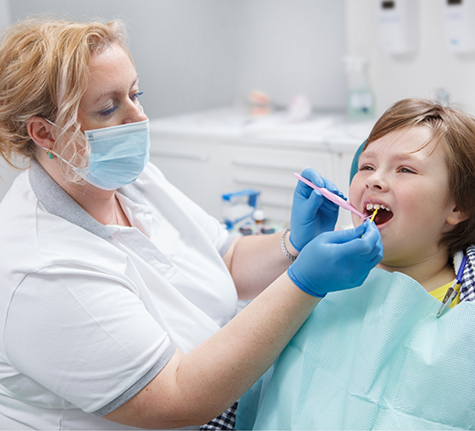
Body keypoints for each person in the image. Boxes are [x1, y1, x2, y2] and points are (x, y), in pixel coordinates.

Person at [0, 17, 383, 430]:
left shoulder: (127, 180)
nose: (138, 117)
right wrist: (304, 284)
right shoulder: (41, 271)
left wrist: (293, 244)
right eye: (109, 108)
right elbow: (178, 399)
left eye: (135, 94)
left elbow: (229, 261)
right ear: (45, 133)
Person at [235, 98, 475, 430]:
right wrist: (295, 265)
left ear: (458, 206)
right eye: (366, 167)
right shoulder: (316, 276)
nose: (374, 180)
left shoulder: (466, 315)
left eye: (405, 169)